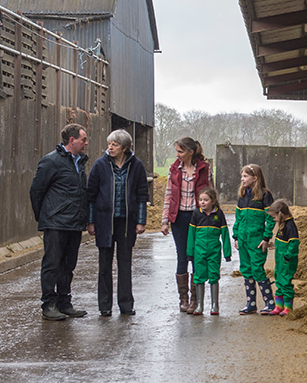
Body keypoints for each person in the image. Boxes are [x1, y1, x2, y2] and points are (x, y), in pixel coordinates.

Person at [29, 123, 91, 321]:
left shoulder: (79, 162)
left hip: (74, 223)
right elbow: (36, 191)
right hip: (56, 223)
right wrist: (45, 216)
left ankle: (65, 302)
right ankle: (49, 304)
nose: (86, 143)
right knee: (52, 264)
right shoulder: (51, 161)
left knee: (68, 265)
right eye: (84, 139)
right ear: (72, 141)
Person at [86, 129, 149, 316]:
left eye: (115, 145)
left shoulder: (136, 166)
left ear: (125, 147)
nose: (110, 148)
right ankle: (104, 306)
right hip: (105, 221)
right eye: (109, 144)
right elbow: (91, 195)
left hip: (126, 223)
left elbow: (142, 196)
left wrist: (141, 221)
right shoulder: (100, 165)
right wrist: (90, 222)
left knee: (125, 263)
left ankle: (126, 304)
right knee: (104, 265)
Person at [160, 136, 210, 314]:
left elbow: (210, 194)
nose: (177, 155)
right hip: (179, 217)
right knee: (182, 256)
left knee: (197, 257)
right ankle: (183, 299)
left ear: (191, 152)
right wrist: (165, 220)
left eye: (180, 151)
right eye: (176, 151)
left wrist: (211, 217)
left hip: (198, 218)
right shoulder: (174, 169)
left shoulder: (205, 169)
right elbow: (168, 196)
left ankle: (196, 300)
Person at [233, 164, 275, 314]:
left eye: (245, 176)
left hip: (257, 240)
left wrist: (266, 237)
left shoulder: (265, 195)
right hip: (243, 240)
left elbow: (270, 218)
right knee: (246, 269)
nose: (242, 179)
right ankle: (251, 304)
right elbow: (238, 219)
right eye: (242, 176)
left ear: (255, 178)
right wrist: (236, 237)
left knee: (257, 269)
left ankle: (270, 303)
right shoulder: (242, 195)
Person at [186, 187, 231, 315]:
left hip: (214, 251)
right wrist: (190, 252)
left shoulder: (219, 214)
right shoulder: (196, 214)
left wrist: (227, 253)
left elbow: (225, 234)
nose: (203, 202)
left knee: (213, 275)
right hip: (199, 251)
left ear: (213, 201)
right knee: (199, 276)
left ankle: (215, 305)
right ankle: (199, 305)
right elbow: (191, 235)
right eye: (200, 200)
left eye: (206, 200)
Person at [266, 199, 299, 317]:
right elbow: (284, 242)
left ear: (280, 214)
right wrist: (275, 246)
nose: (273, 220)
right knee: (279, 281)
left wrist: (287, 256)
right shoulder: (282, 225)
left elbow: (294, 244)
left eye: (274, 217)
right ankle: (278, 306)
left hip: (286, 260)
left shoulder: (290, 226)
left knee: (285, 282)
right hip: (280, 260)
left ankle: (288, 307)